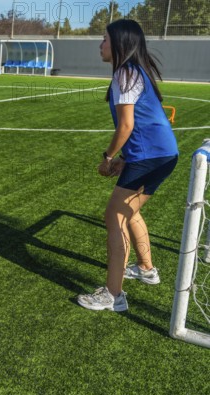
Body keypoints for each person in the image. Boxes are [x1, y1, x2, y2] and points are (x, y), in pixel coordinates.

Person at [77, 19, 178, 312]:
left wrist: (109, 157)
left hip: (151, 155)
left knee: (114, 216)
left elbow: (126, 125)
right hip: (162, 154)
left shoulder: (124, 74)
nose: (101, 44)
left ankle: (113, 295)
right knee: (129, 211)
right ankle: (146, 269)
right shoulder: (135, 71)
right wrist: (126, 159)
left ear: (120, 43)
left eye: (104, 39)